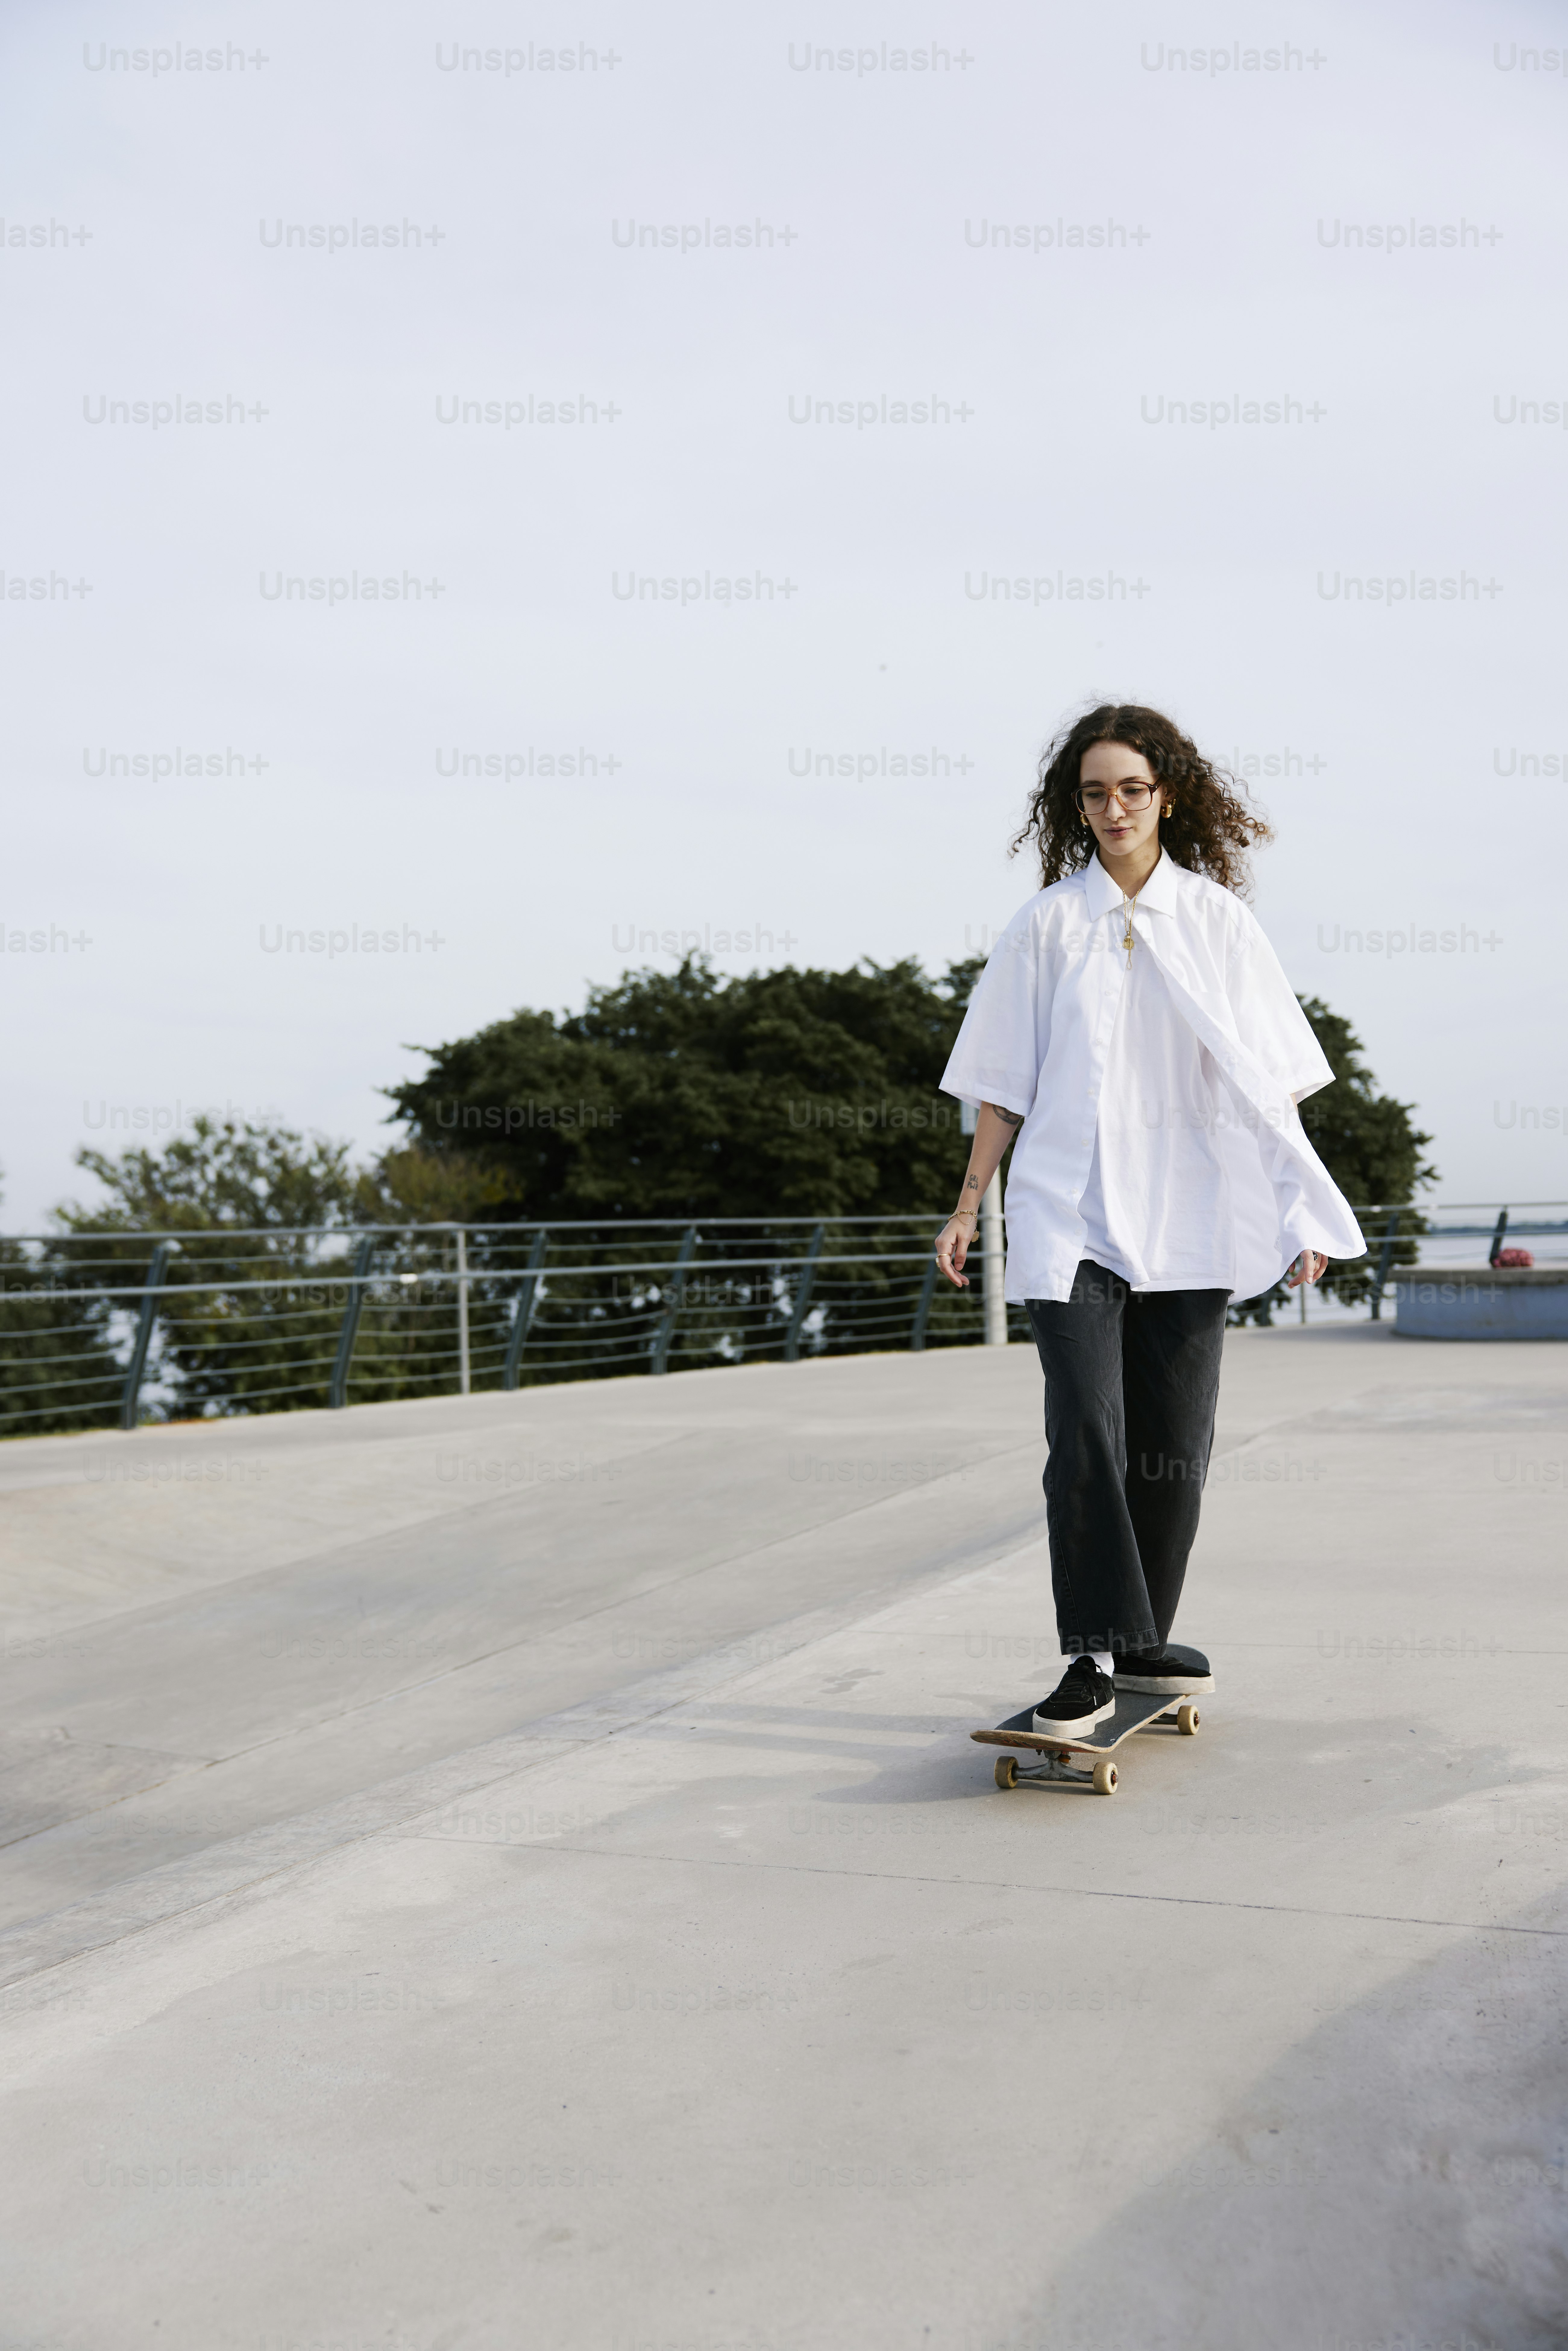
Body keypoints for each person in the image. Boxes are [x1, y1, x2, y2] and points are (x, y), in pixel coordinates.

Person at [935, 704, 1364, 1736]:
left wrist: (1301, 1204)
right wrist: (966, 1203)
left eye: (1132, 788)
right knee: (1084, 1427)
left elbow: (1274, 1082)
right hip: (1068, 1215)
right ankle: (1090, 1654)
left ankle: (1141, 1638)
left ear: (1166, 796)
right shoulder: (1046, 926)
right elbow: (1000, 1083)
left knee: (1173, 1442)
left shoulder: (1217, 922)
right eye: (1095, 793)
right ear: (1075, 807)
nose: (1114, 808)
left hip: (1191, 1215)